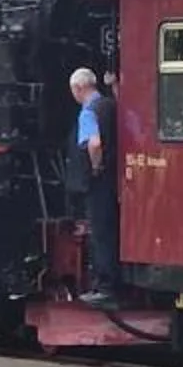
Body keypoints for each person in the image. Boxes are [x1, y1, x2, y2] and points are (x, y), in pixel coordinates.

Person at [72, 66, 120, 303]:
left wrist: (95, 167)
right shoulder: (110, 104)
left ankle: (105, 287)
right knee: (110, 230)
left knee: (100, 233)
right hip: (115, 180)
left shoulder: (88, 111)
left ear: (79, 88)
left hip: (99, 181)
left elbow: (94, 143)